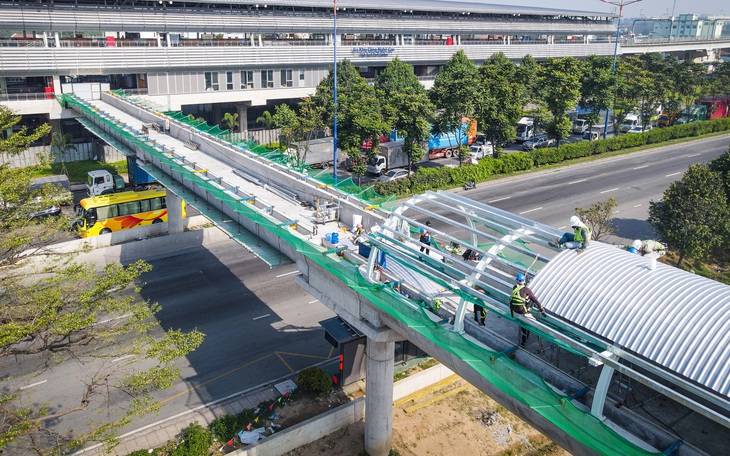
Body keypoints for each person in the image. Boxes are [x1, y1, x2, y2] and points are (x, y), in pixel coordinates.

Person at [509, 273, 546, 348]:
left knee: (526, 299)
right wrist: (541, 308)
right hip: (521, 310)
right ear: (524, 281)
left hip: (513, 308)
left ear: (517, 281)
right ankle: (524, 341)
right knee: (531, 300)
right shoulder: (527, 289)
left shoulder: (515, 287)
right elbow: (535, 299)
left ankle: (523, 340)